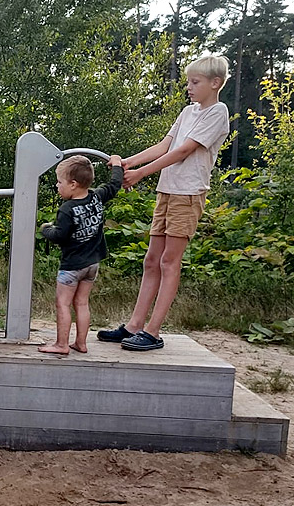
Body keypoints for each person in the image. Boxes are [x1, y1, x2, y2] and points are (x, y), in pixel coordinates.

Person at [99, 54, 231, 352]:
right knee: (151, 260)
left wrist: (140, 174)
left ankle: (153, 331)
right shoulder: (187, 112)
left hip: (188, 193)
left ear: (215, 83)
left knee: (169, 262)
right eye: (188, 82)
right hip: (167, 190)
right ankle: (134, 326)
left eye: (195, 82)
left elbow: (185, 151)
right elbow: (165, 145)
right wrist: (126, 163)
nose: (189, 87)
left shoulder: (217, 112)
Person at [38, 154, 124, 355]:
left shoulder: (67, 209)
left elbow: (60, 236)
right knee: (82, 302)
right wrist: (117, 164)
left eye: (60, 182)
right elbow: (114, 184)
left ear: (73, 184)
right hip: (93, 263)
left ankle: (61, 345)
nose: (57, 186)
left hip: (72, 266)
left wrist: (45, 229)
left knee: (63, 303)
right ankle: (81, 343)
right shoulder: (96, 196)